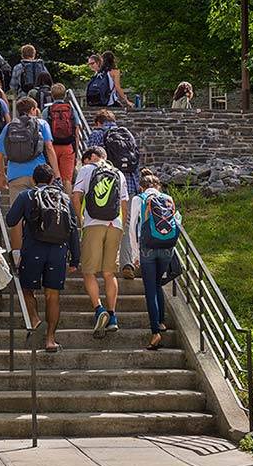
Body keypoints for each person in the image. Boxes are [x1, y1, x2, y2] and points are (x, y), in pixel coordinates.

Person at [6, 164, 80, 352]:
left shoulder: (27, 195)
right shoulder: (64, 197)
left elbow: (10, 220)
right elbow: (72, 228)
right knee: (52, 295)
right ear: (51, 180)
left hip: (33, 249)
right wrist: (75, 259)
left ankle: (35, 319)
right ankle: (50, 340)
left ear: (33, 180)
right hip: (58, 251)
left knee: (26, 287)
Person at [72, 146, 129, 338]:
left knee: (89, 271)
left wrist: (81, 221)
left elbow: (76, 196)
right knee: (109, 272)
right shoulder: (118, 173)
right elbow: (123, 203)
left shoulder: (87, 169)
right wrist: (123, 226)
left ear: (94, 157)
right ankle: (112, 316)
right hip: (116, 225)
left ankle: (99, 309)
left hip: (93, 223)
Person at [0, 97, 61, 253]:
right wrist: (56, 174)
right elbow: (50, 149)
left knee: (16, 215)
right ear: (33, 110)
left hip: (15, 176)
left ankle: (17, 253)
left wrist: (3, 176)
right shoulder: (42, 124)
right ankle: (43, 247)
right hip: (40, 175)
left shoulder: (10, 126)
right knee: (44, 209)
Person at [130, 169, 181, 350]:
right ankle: (161, 322)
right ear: (158, 185)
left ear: (141, 187)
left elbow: (132, 228)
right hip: (167, 247)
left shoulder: (139, 199)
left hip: (148, 249)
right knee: (158, 284)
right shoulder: (168, 199)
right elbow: (177, 221)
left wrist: (135, 255)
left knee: (150, 289)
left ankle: (155, 333)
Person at [87, 109, 140, 280]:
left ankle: (101, 263)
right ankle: (126, 263)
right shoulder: (127, 135)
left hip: (105, 186)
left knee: (100, 222)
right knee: (125, 223)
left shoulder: (97, 134)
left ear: (98, 122)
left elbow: (93, 162)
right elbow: (135, 161)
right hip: (129, 184)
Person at [41, 83, 80, 196]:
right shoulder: (71, 110)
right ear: (65, 95)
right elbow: (76, 132)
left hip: (51, 148)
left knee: (52, 177)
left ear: (52, 95)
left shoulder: (47, 111)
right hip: (68, 147)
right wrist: (75, 151)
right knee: (67, 179)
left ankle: (52, 203)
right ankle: (68, 206)